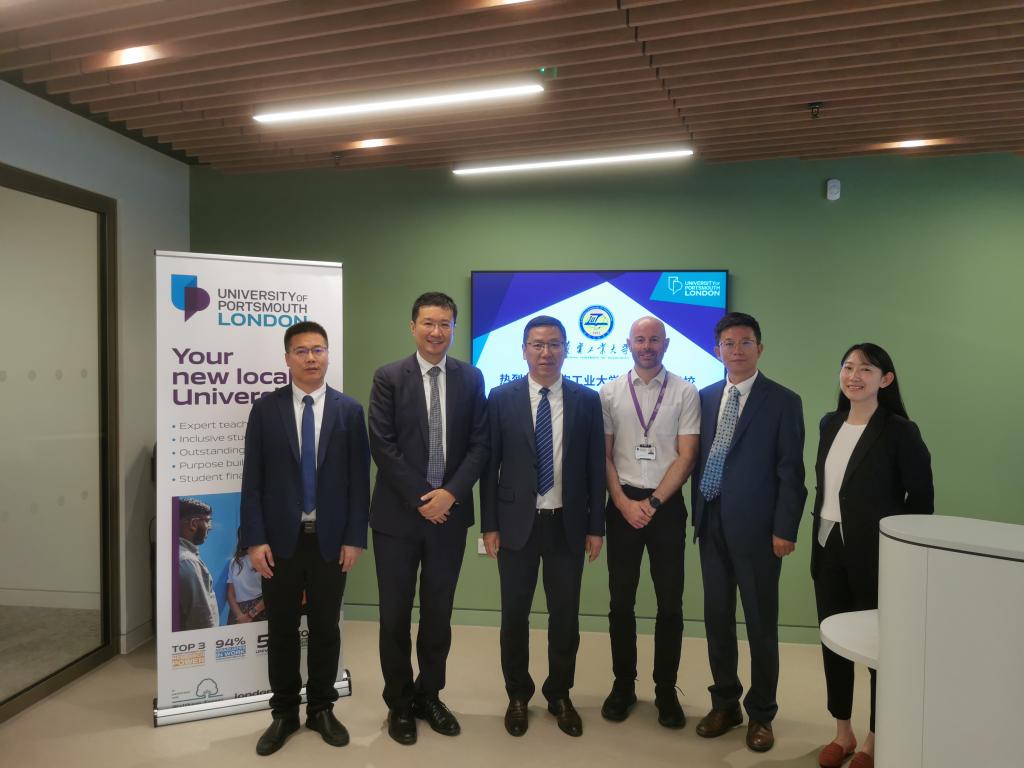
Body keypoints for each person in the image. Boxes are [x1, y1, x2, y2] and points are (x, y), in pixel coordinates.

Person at [240, 320, 370, 756]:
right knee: (280, 629)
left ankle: (320, 708)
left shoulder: (349, 411)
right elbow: (252, 481)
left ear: (328, 354)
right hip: (279, 543)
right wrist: (254, 539)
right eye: (302, 351)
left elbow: (359, 482)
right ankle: (283, 713)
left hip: (330, 542)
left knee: (325, 628)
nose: (311, 358)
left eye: (318, 350)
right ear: (287, 358)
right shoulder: (266, 409)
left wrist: (355, 538)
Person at [368, 291, 488, 745]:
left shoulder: (471, 377)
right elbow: (382, 444)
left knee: (439, 614)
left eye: (445, 324)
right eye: (428, 323)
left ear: (454, 328)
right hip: (397, 519)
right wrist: (425, 497)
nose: (437, 332)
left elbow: (480, 444)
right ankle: (399, 703)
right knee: (394, 616)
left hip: (449, 517)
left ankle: (429, 695)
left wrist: (449, 495)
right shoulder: (388, 377)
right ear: (413, 326)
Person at [481, 315, 605, 738]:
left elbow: (595, 468)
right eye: (537, 344)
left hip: (566, 526)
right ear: (523, 351)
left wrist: (596, 527)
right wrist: (489, 525)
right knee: (514, 615)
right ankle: (518, 694)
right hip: (516, 526)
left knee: (565, 617)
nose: (546, 352)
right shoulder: (501, 398)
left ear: (566, 348)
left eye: (554, 344)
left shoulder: (587, 400)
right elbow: (490, 467)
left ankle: (559, 693)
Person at [812, 343, 933, 768]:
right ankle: (842, 732)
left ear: (886, 379)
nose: (854, 376)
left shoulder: (900, 430)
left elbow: (921, 500)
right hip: (827, 545)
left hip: (878, 554)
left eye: (866, 369)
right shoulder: (830, 423)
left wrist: (900, 550)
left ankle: (875, 739)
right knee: (834, 642)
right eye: (848, 367)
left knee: (878, 648)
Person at [690, 311, 806, 753]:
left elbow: (791, 472)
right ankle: (725, 704)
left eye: (745, 342)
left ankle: (762, 714)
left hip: (760, 532)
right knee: (717, 620)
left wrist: (785, 528)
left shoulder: (783, 401)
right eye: (728, 343)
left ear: (760, 347)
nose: (736, 350)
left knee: (760, 624)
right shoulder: (704, 397)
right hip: (711, 523)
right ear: (716, 350)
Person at [598, 316, 699, 727]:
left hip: (666, 506)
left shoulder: (685, 391)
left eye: (654, 339)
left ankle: (665, 690)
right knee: (620, 602)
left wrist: (654, 502)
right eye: (639, 339)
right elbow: (604, 455)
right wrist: (623, 502)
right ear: (628, 344)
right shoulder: (608, 392)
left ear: (666, 343)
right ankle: (623, 684)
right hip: (622, 504)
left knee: (670, 603)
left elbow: (687, 455)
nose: (646, 346)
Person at [177, 498, 219, 630]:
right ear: (193, 523)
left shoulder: (176, 554)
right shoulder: (187, 561)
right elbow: (202, 621)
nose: (210, 527)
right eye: (208, 521)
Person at [227, 529, 266, 624]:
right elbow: (230, 593)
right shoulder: (234, 562)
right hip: (238, 612)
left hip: (260, 611)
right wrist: (239, 615)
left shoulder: (264, 560)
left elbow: (270, 593)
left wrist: (250, 615)